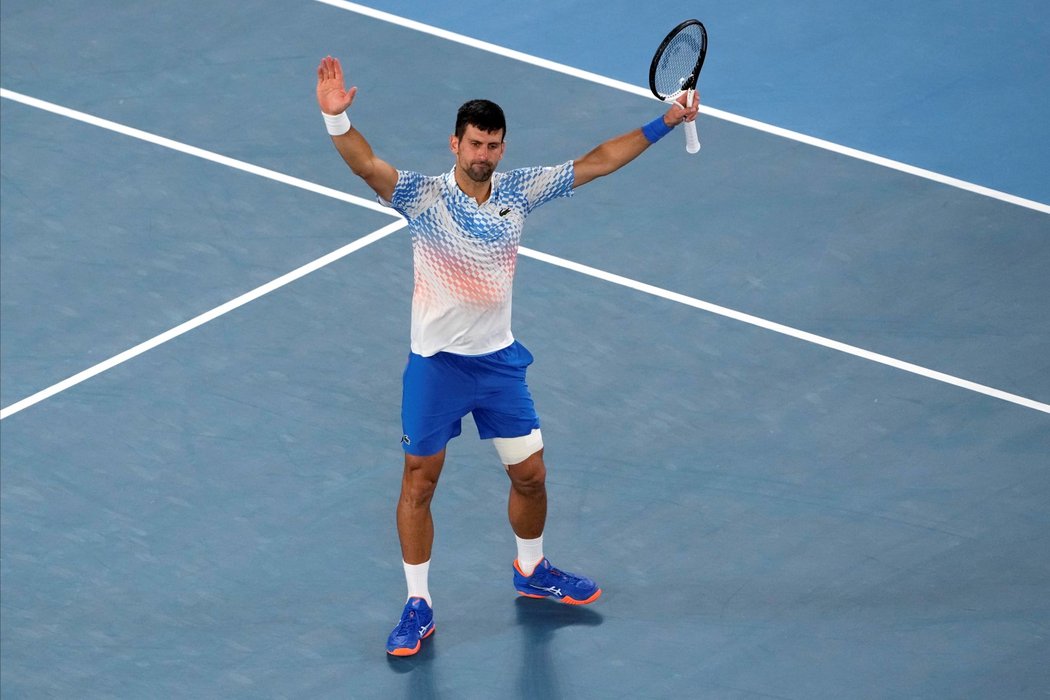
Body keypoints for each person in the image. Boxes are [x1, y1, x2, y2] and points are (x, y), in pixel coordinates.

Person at [315, 55, 698, 657]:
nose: (483, 155)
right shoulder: (424, 197)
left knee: (532, 475)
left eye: (493, 145)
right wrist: (337, 120)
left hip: (498, 368)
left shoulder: (519, 191)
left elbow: (596, 162)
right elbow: (367, 165)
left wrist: (662, 124)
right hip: (436, 367)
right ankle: (418, 604)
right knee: (420, 483)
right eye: (474, 144)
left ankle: (532, 567)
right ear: (455, 142)